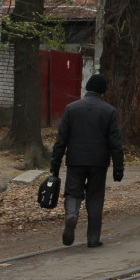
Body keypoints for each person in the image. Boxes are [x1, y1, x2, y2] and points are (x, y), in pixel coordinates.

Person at [50, 74, 124, 248]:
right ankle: (93, 239)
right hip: (99, 162)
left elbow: (61, 141)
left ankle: (71, 215)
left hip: (75, 161)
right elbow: (116, 143)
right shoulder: (109, 111)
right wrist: (118, 168)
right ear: (103, 92)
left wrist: (55, 165)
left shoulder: (71, 109)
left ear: (87, 89)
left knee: (72, 193)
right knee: (95, 198)